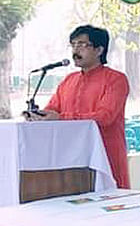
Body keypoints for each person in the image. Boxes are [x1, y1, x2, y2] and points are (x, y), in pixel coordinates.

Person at [31, 25, 130, 188]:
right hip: (72, 158)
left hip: (105, 153)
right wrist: (38, 115)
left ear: (99, 50)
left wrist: (61, 118)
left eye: (82, 45)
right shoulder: (69, 80)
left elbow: (105, 117)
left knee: (111, 203)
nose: (76, 50)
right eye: (73, 44)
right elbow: (53, 109)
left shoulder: (116, 79)